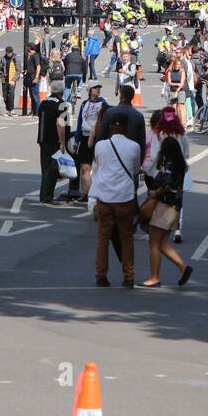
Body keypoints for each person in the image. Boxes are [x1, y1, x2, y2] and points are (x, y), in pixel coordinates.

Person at [90, 118, 140, 288]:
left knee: (103, 236)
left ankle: (101, 274)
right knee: (126, 237)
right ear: (126, 129)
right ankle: (129, 275)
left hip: (104, 195)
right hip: (124, 195)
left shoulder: (100, 146)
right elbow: (135, 169)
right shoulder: (134, 146)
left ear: (110, 128)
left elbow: (98, 164)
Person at [140, 134, 193, 288]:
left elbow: (166, 185)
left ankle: (154, 277)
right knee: (162, 244)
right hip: (175, 207)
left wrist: (155, 193)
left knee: (154, 244)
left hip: (164, 207)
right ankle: (183, 267)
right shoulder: (180, 165)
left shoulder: (168, 166)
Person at [36, 80, 68, 204]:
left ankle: (43, 195)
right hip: (54, 140)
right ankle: (47, 196)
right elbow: (60, 124)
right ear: (61, 91)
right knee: (53, 169)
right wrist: (62, 142)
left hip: (42, 138)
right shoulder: (61, 104)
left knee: (45, 168)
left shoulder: (44, 102)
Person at [0, 46, 19, 116]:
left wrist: (14, 79)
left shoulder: (15, 58)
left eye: (10, 53)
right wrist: (0, 74)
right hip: (4, 79)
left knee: (11, 95)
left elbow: (18, 70)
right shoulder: (3, 58)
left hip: (12, 79)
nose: (9, 54)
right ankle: (8, 110)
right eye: (7, 53)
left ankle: (11, 109)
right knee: (5, 96)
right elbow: (1, 68)